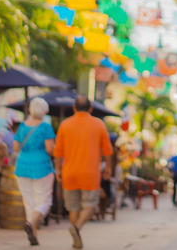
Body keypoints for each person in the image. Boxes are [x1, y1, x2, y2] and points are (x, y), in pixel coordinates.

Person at [54, 95, 113, 249]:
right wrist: (108, 167)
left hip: (69, 173)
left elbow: (58, 152)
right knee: (90, 206)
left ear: (74, 108)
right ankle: (77, 228)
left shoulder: (65, 125)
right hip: (90, 173)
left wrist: (58, 169)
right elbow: (107, 151)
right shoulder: (99, 124)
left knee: (73, 208)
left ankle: (76, 237)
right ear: (91, 108)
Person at [14, 97, 56, 246]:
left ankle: (34, 234)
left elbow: (15, 147)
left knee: (29, 201)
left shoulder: (22, 126)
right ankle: (32, 224)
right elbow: (50, 149)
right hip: (41, 167)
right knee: (44, 200)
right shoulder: (45, 127)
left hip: (22, 166)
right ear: (45, 111)